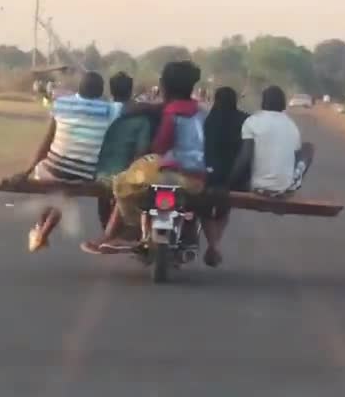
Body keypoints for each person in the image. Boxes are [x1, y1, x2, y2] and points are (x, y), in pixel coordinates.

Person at [84, 60, 207, 254]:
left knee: (123, 183)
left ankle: (126, 231)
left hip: (173, 174)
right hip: (198, 178)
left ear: (164, 87)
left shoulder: (171, 113)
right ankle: (189, 231)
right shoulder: (200, 112)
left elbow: (160, 146)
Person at [22, 70, 121, 252]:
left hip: (52, 169)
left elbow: (47, 141)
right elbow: (129, 108)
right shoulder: (109, 110)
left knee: (56, 189)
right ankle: (41, 232)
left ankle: (40, 230)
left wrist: (27, 170)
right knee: (66, 193)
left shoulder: (60, 104)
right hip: (83, 173)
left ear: (79, 89)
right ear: (101, 92)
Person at [93, 71, 158, 229]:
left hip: (99, 172)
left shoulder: (102, 112)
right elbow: (140, 152)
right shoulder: (142, 119)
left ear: (111, 90)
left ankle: (106, 226)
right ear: (130, 91)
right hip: (124, 175)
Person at [227, 85, 315, 199]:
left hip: (258, 188)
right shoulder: (291, 125)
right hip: (284, 190)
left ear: (263, 102)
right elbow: (295, 156)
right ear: (283, 103)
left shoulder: (252, 121)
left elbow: (245, 157)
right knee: (308, 148)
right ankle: (293, 183)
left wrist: (229, 182)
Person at [200, 86, 250, 266]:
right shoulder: (245, 120)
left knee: (203, 208)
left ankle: (213, 243)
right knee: (224, 207)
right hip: (233, 177)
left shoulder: (208, 119)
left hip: (208, 174)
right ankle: (215, 244)